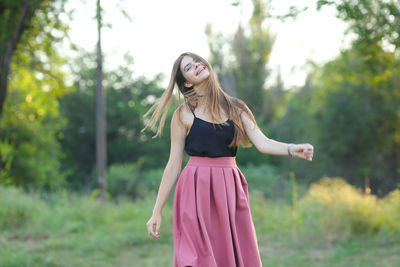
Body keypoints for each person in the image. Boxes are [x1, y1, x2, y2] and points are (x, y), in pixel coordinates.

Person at [143, 52, 314, 267]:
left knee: (232, 254)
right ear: (186, 82)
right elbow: (173, 165)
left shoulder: (235, 107)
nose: (197, 65)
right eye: (188, 67)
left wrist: (291, 149)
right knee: (196, 258)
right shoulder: (183, 115)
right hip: (194, 190)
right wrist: (156, 211)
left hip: (228, 189)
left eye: (197, 61)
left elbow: (263, 143)